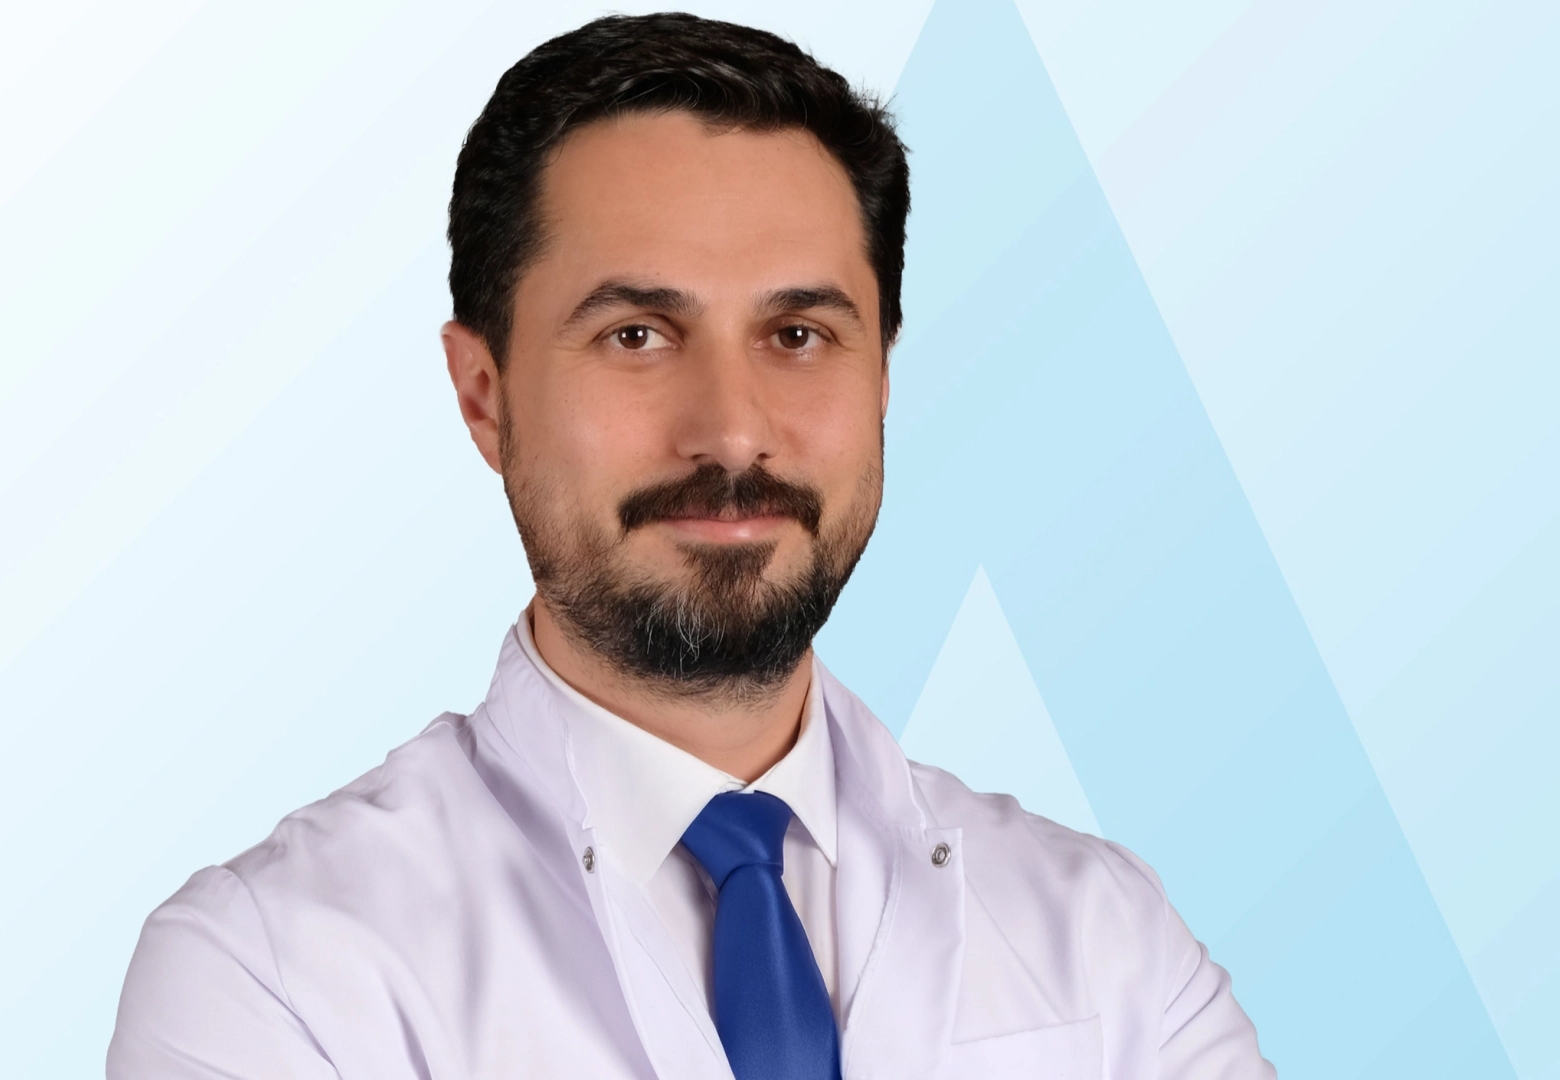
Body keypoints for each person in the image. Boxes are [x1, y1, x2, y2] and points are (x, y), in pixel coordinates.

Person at [108, 12, 1274, 1079]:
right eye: (637, 334)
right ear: (484, 396)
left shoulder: (1109, 942)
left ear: (881, 378)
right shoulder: (270, 975)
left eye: (799, 334)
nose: (731, 431)